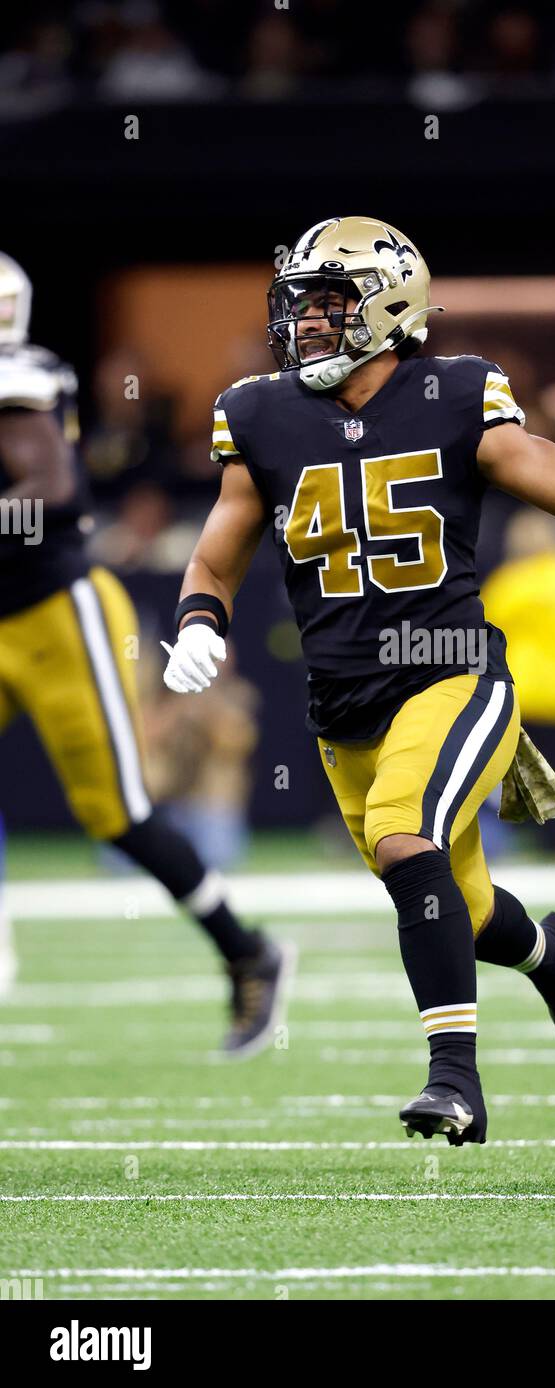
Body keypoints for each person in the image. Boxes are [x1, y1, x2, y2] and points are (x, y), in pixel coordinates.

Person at [162, 216, 555, 1144]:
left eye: (327, 304)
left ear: (388, 308)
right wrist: (194, 625)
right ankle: (553, 961)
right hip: (344, 707)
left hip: (453, 674)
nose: (304, 324)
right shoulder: (261, 414)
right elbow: (216, 557)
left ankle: (454, 1081)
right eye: (298, 305)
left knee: (401, 837)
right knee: (459, 903)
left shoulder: (454, 396)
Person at [0, 252, 285, 1056]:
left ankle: (247, 950)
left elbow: (48, 492)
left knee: (116, 812)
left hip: (53, 615)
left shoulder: (21, 377)